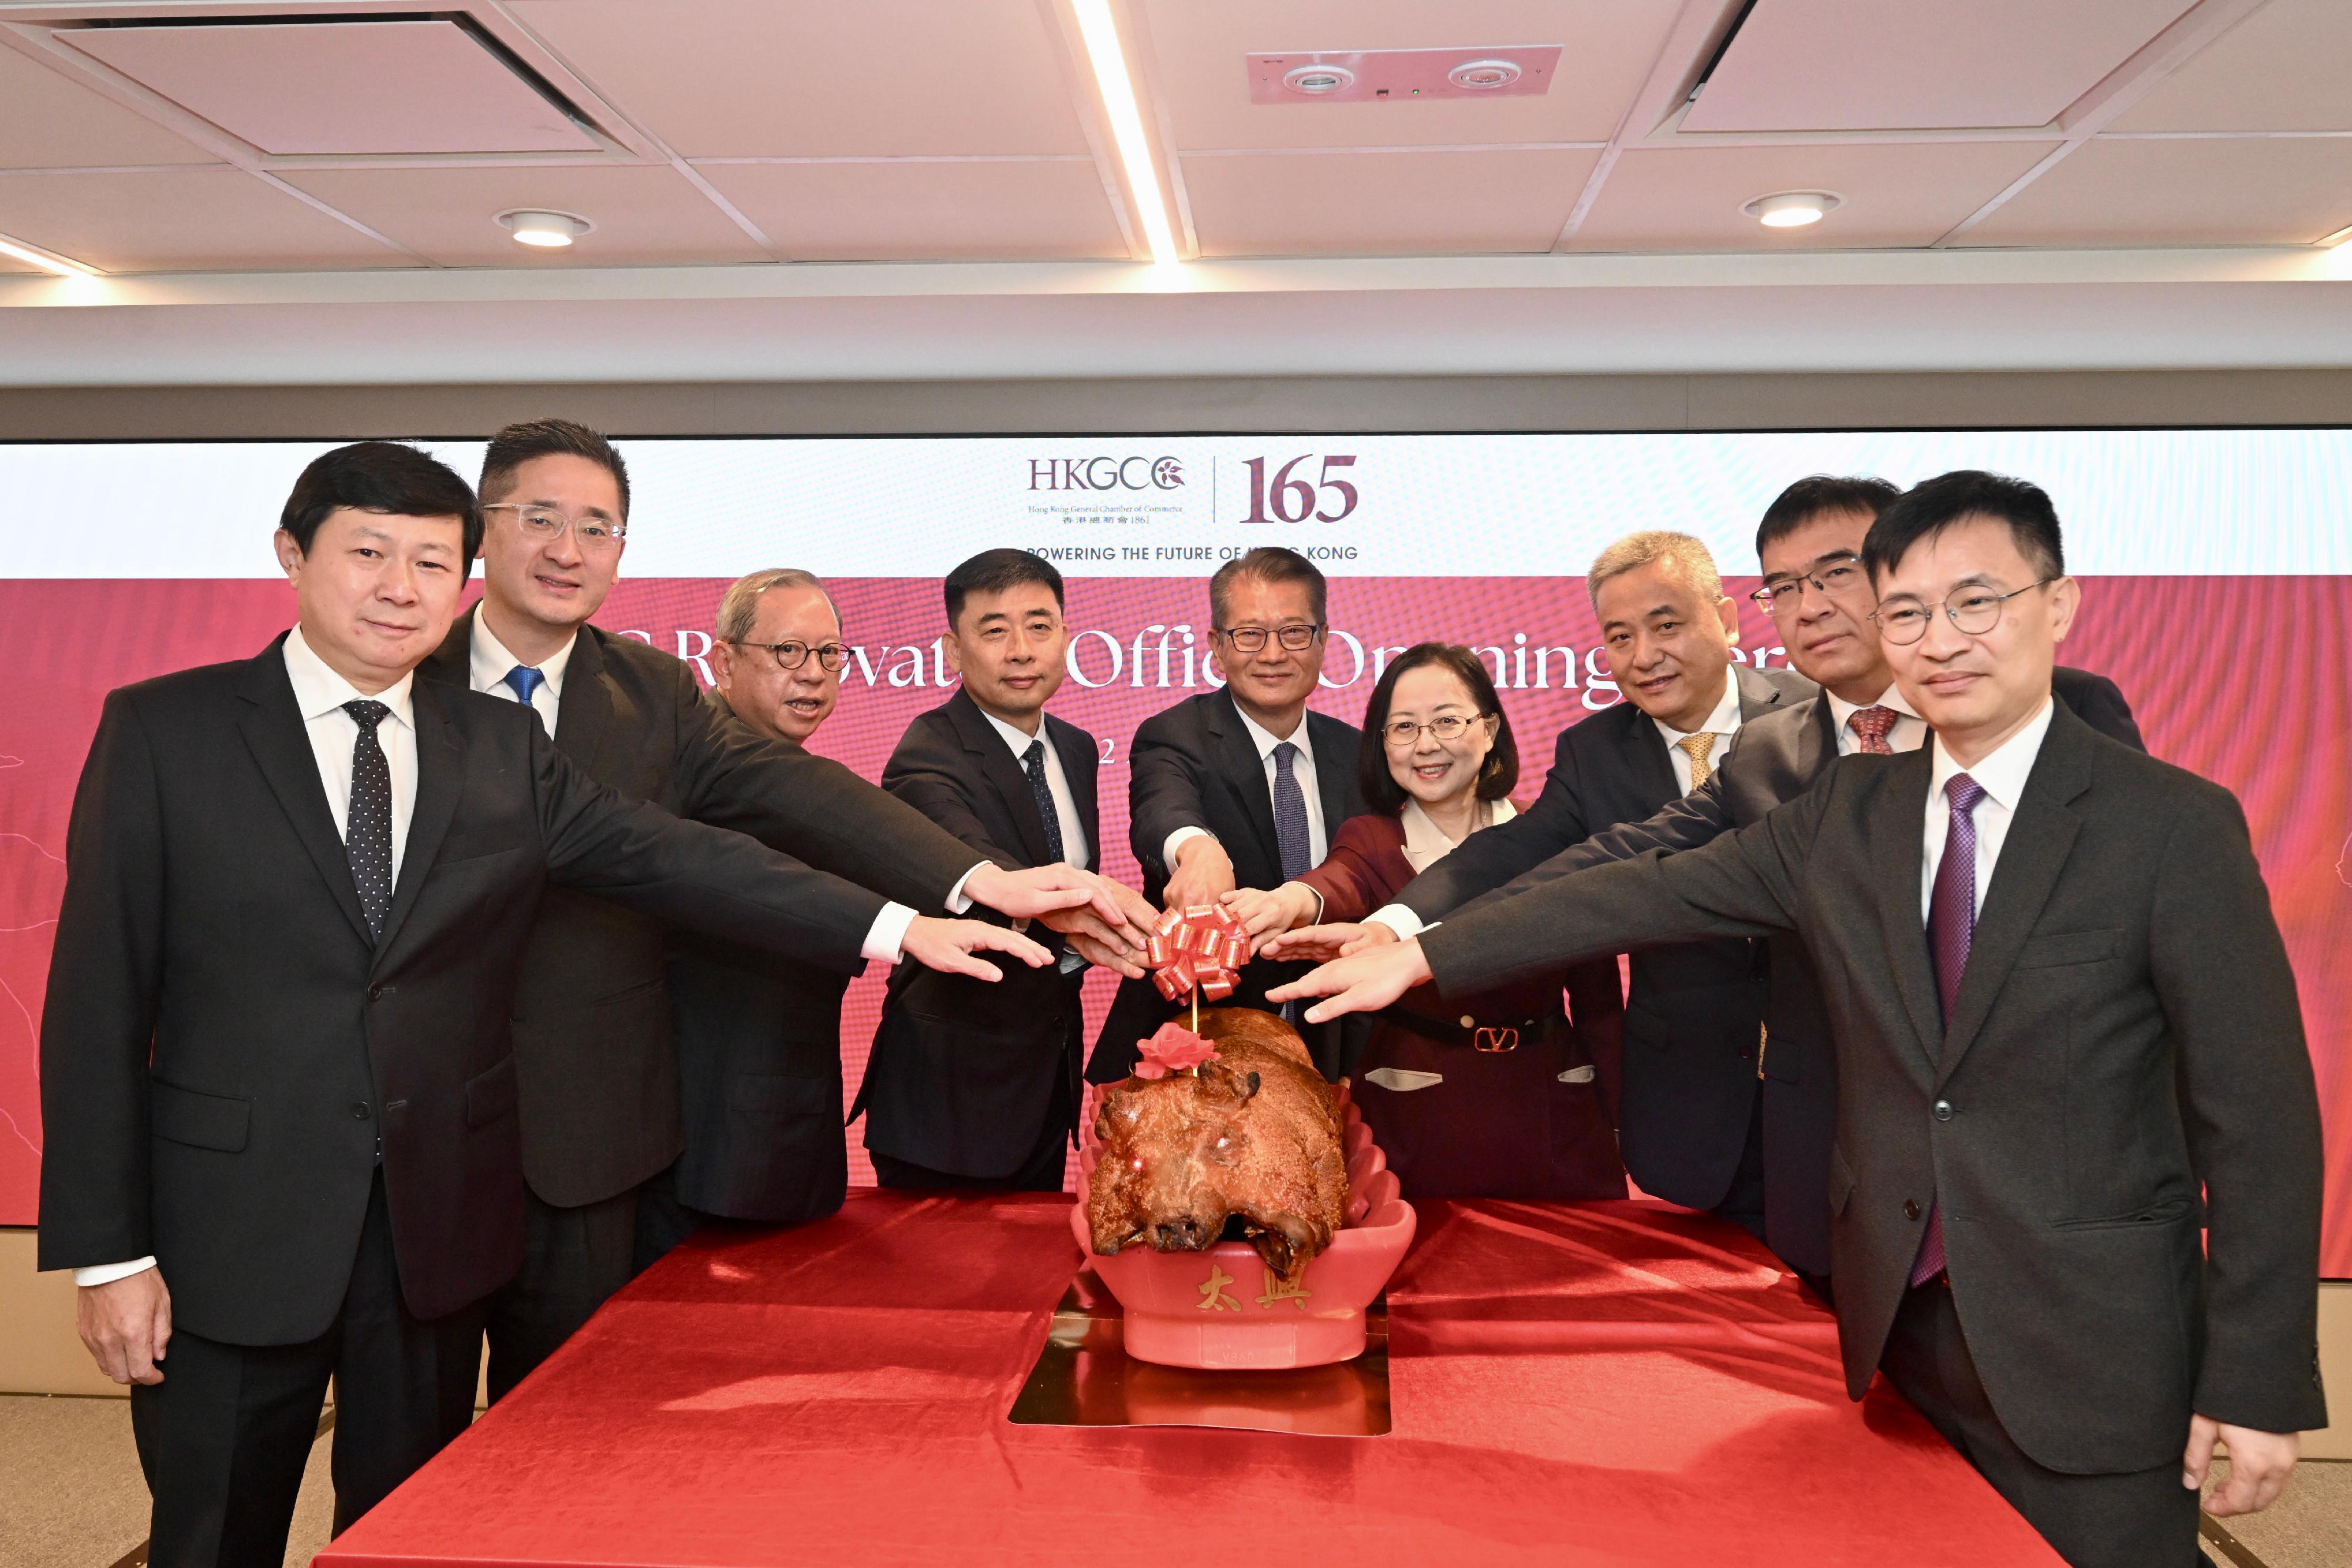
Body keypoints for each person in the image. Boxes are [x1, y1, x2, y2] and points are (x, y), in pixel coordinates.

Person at [39, 443, 1070, 1566]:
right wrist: (109, 1255)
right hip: (231, 1229)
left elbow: (680, 854)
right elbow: (97, 1000)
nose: (402, 586)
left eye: (430, 562)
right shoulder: (166, 730)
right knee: (207, 1532)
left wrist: (907, 920)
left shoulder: (499, 746)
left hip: (431, 1232)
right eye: (370, 554)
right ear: (293, 556)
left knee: (410, 1529)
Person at [1271, 471, 2326, 1567]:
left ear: (2054, 606)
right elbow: (1642, 886)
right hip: (1899, 1328)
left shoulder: (2173, 827)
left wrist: (2255, 1379)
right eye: (1908, 610)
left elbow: (2257, 1122)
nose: (1939, 638)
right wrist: (1420, 954)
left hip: (2094, 1343)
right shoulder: (1848, 807)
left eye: (1978, 602)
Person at [415, 420, 1151, 1400]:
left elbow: (801, 796)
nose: (567, 549)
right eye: (541, 519)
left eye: (597, 528)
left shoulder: (652, 690)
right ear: (481, 529)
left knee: (569, 1424)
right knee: (394, 1456)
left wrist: (981, 880)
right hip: (408, 1124)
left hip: (584, 1142)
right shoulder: (396, 673)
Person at [1272, 477, 2144, 1290]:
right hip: (1804, 1150)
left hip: (2041, 1176)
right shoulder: (1776, 759)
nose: (1811, 606)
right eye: (1788, 586)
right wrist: (1416, 943)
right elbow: (1627, 877)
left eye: (1838, 575)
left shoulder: (2059, 718)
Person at [1303, 532, 1813, 1241]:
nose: (1643, 655)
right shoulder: (1592, 752)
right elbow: (1510, 855)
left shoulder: (1815, 720)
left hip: (1833, 1097)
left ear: (1726, 621)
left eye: (1666, 625)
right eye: (1619, 636)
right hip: (1697, 1114)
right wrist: (1395, 926)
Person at [1230, 643, 1624, 1199]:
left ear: (1489, 730)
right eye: (1404, 727)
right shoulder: (1370, 837)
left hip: (1555, 1117)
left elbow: (1599, 1002)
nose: (1427, 744)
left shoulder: (1553, 837)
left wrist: (1620, 1114)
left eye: (1446, 721)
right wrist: (1290, 900)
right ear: (1381, 744)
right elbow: (1339, 881)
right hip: (1414, 1125)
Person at [861, 550, 1135, 1188]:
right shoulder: (925, 754)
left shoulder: (1074, 748)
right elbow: (983, 867)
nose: (1021, 650)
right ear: (953, 651)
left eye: (1040, 626)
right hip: (948, 1099)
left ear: (1066, 637)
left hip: (1046, 1085)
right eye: (994, 630)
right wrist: (1095, 917)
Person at [1090, 547, 1367, 1082]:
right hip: (1189, 1053)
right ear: (1216, 646)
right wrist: (1197, 850)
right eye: (1249, 634)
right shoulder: (1175, 734)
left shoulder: (1360, 756)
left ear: (1323, 641)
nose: (1272, 654)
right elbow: (1162, 809)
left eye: (1293, 632)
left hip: (1333, 1051)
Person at [654, 569, 863, 1243]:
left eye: (829, 654)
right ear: (723, 660)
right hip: (712, 1141)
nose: (812, 675)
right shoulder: (695, 772)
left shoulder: (800, 776)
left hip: (779, 1126)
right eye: (787, 653)